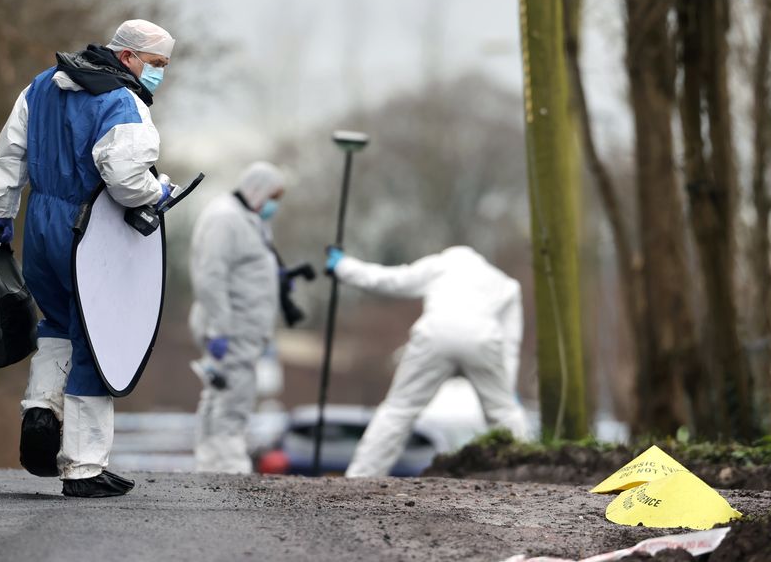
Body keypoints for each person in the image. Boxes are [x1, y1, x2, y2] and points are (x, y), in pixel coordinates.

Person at [0, 19, 176, 497]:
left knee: (56, 323)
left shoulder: (40, 85)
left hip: (40, 223)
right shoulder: (122, 101)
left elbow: (7, 158)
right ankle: (83, 466)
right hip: (91, 232)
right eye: (158, 64)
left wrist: (2, 217)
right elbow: (124, 176)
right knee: (97, 339)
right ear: (128, 57)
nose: (159, 74)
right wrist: (156, 191)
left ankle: (41, 410)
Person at [325, 245, 529, 477]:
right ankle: (522, 475)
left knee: (399, 409)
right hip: (482, 337)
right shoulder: (504, 283)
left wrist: (343, 267)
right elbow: (511, 342)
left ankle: (361, 476)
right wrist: (508, 387)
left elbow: (390, 280)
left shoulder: (439, 265)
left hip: (434, 334)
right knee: (504, 412)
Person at [188, 161, 285, 473]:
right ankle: (229, 464)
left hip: (239, 326)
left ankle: (210, 460)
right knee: (234, 394)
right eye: (274, 196)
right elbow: (210, 276)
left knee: (219, 391)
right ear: (259, 189)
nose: (274, 205)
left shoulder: (245, 218)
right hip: (231, 327)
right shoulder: (226, 218)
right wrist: (219, 328)